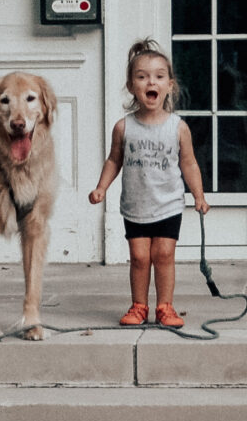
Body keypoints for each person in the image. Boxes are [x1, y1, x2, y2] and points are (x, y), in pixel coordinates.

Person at [88, 38, 210, 328]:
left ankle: (165, 307)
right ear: (131, 86)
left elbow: (189, 163)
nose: (150, 82)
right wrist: (101, 187)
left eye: (158, 76)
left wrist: (199, 195)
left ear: (169, 84)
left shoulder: (177, 127)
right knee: (140, 257)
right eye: (142, 77)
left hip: (168, 205)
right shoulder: (124, 126)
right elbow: (114, 160)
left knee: (164, 255)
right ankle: (139, 306)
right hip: (136, 206)